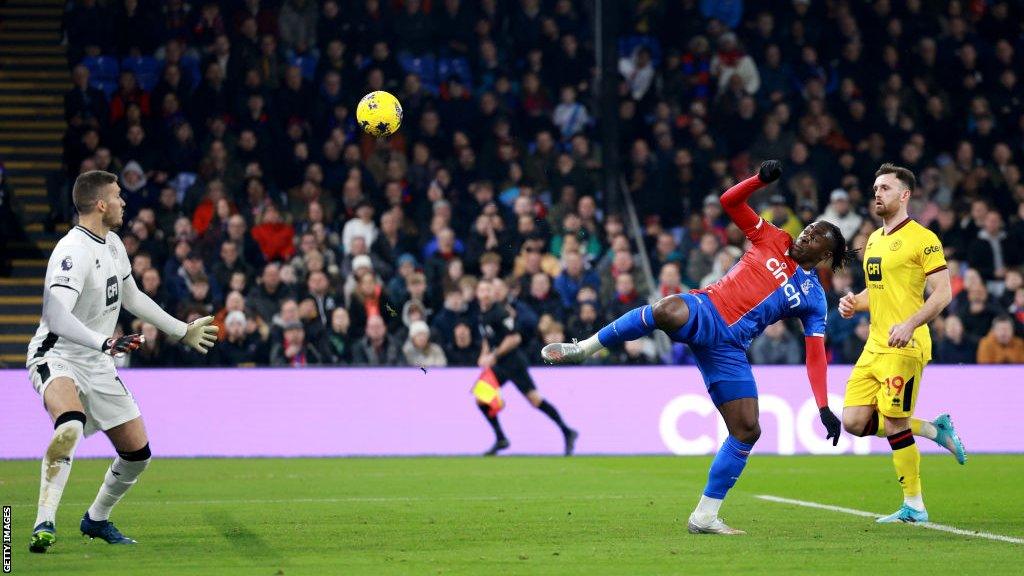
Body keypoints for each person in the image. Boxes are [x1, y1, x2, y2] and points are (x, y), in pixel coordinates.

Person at [543, 161, 844, 535]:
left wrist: (823, 406)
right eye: (809, 230)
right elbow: (729, 202)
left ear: (826, 256)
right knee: (668, 308)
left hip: (730, 348)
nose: (806, 237)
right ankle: (583, 349)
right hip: (708, 309)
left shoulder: (815, 298)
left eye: (815, 239)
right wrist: (758, 181)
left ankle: (705, 515)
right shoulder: (774, 237)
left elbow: (815, 355)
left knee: (748, 429)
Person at [26, 171, 218, 553]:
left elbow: (132, 296)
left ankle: (96, 519)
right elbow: (58, 317)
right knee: (70, 425)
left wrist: (181, 330)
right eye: (118, 196)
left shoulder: (112, 243)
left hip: (98, 363)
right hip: (58, 355)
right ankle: (42, 522)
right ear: (100, 204)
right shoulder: (71, 252)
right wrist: (104, 341)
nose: (123, 203)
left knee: (137, 454)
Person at [838, 163, 966, 525]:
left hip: (905, 345)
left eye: (886, 188)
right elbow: (878, 291)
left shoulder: (923, 239)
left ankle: (915, 505)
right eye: (875, 188)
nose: (877, 193)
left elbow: (942, 294)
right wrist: (855, 302)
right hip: (875, 346)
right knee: (854, 421)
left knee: (894, 423)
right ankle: (932, 429)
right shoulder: (874, 240)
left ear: (905, 195)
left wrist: (910, 324)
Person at [475, 278, 578, 457]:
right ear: (477, 293)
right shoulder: (482, 314)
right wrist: (483, 355)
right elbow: (487, 338)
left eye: (487, 290)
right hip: (499, 364)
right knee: (481, 397)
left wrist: (494, 355)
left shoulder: (499, 312)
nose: (484, 294)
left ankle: (567, 431)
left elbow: (514, 339)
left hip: (513, 363)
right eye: (481, 290)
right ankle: (500, 438)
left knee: (535, 400)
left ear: (493, 293)